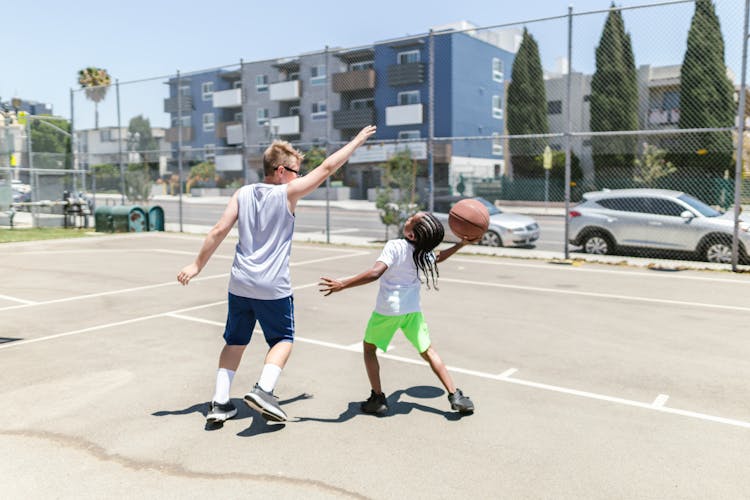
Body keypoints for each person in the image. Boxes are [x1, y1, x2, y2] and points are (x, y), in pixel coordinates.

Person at [178, 125, 377, 424]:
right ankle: (263, 389)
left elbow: (219, 230)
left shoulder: (242, 193)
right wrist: (357, 141)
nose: (300, 176)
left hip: (241, 283)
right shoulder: (288, 192)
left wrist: (196, 266)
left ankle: (220, 403)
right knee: (283, 339)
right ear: (281, 171)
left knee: (235, 341)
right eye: (297, 171)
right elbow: (328, 167)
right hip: (272, 286)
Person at [318, 211, 475, 415]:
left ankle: (378, 398)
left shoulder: (395, 246)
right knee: (428, 351)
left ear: (411, 235)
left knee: (369, 349)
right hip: (412, 310)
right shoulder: (421, 252)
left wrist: (343, 283)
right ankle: (455, 395)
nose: (408, 218)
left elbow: (376, 272)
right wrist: (460, 244)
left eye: (412, 220)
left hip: (388, 310)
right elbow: (438, 257)